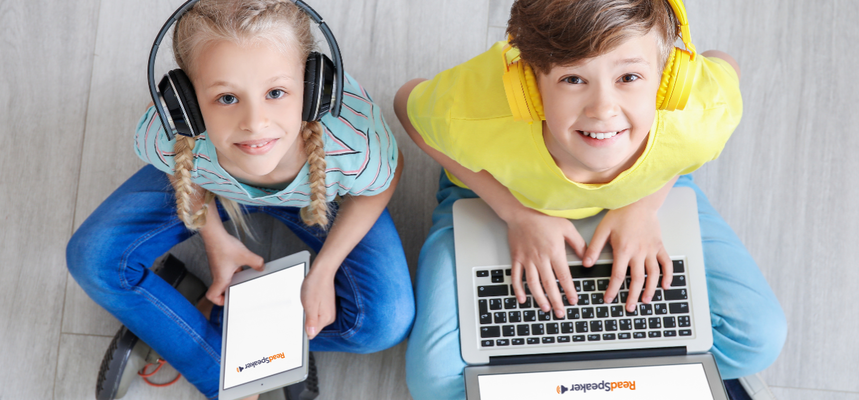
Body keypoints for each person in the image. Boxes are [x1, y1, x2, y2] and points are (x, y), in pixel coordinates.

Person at [394, 0, 786, 399]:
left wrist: (645, 203)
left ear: (671, 78)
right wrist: (516, 214)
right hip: (506, 200)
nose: (602, 110)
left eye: (629, 76)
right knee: (434, 385)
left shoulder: (698, 111)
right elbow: (407, 105)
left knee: (758, 339)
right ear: (528, 87)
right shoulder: (478, 109)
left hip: (645, 193)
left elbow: (723, 64)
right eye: (573, 80)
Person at [66, 0, 414, 398]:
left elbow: (383, 180)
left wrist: (324, 270)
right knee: (92, 258)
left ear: (314, 88)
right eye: (227, 98)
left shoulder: (351, 143)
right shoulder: (168, 132)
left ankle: (200, 321)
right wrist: (213, 238)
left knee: (385, 323)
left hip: (317, 187)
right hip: (214, 184)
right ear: (187, 105)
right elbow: (180, 169)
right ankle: (229, 375)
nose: (255, 123)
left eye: (277, 92)